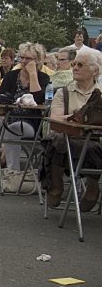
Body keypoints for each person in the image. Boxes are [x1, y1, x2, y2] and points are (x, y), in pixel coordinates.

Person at [0, 42, 50, 179]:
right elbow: (1, 98)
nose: (24, 61)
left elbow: (38, 99)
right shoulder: (11, 76)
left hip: (30, 122)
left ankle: (13, 172)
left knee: (13, 130)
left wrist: (33, 74)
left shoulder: (44, 78)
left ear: (38, 60)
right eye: (22, 58)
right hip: (7, 116)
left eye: (29, 59)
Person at [42, 48, 102, 210]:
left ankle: (92, 186)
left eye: (80, 64)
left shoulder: (101, 94)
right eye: (74, 64)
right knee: (57, 140)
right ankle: (56, 183)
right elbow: (55, 118)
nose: (75, 68)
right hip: (69, 139)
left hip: (96, 142)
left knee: (93, 147)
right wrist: (74, 118)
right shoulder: (64, 93)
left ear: (95, 70)